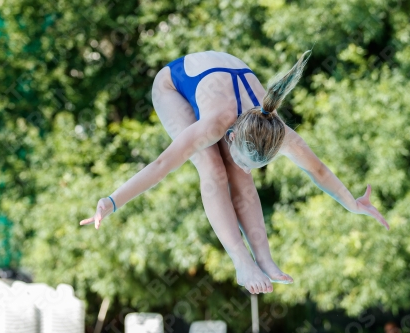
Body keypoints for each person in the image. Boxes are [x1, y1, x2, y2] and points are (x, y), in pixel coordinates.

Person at [79, 50, 389, 295]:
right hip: (173, 86)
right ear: (230, 136)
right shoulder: (215, 123)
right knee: (213, 168)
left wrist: (352, 203)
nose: (243, 166)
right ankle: (242, 262)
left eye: (255, 164)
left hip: (224, 82)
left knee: (240, 176)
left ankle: (264, 259)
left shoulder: (276, 130)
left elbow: (317, 170)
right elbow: (161, 165)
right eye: (243, 157)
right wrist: (112, 201)